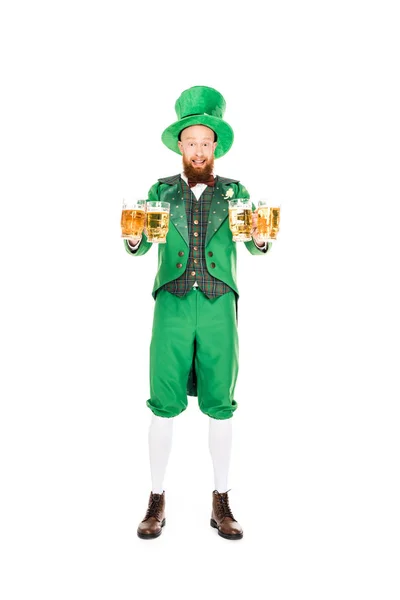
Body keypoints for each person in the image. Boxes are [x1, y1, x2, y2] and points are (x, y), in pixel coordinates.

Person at [123, 86, 272, 541]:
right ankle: (156, 498)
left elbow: (255, 242)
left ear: (216, 146)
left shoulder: (236, 192)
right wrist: (133, 239)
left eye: (207, 142)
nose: (199, 149)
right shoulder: (160, 190)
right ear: (180, 145)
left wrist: (262, 240)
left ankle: (221, 500)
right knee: (162, 401)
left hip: (218, 304)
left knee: (221, 405)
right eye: (192, 142)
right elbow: (141, 243)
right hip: (170, 301)